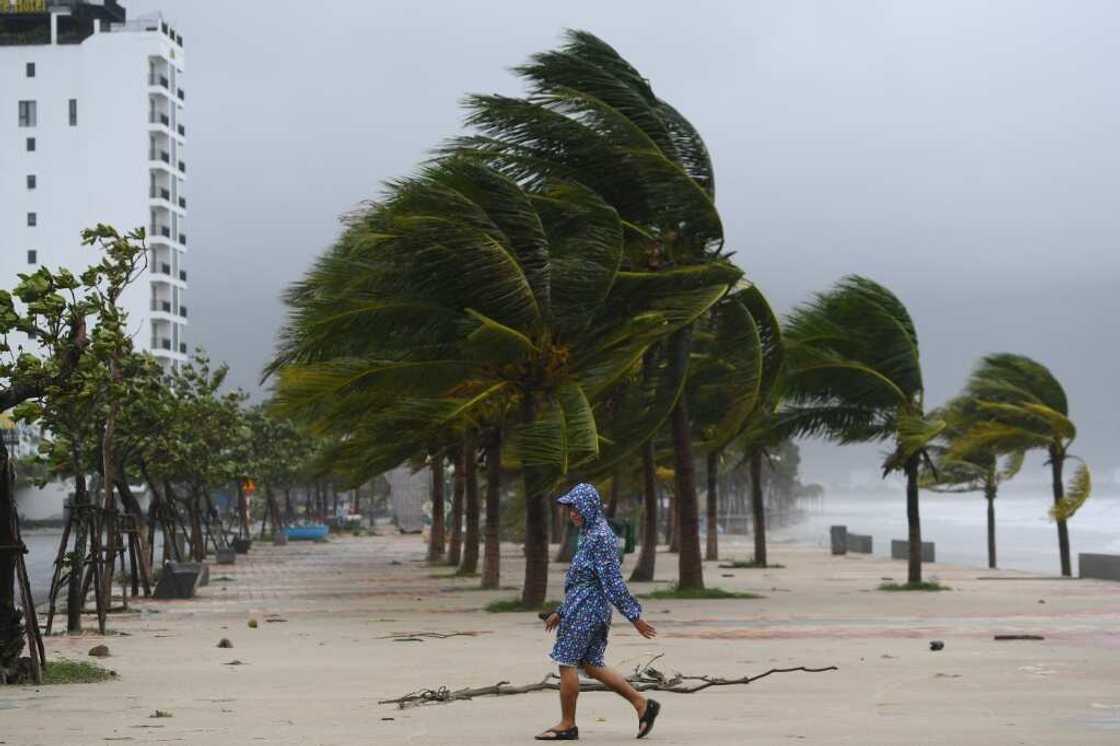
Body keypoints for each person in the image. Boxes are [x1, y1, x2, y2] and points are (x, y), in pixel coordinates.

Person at [536, 483, 661, 741]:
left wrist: (634, 616)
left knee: (566, 663)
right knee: (592, 665)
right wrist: (561, 610)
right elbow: (582, 580)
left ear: (590, 507)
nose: (573, 513)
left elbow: (612, 581)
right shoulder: (589, 533)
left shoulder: (600, 537)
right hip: (584, 607)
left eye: (577, 507)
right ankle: (642, 705)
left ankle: (568, 724)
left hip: (587, 610)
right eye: (570, 508)